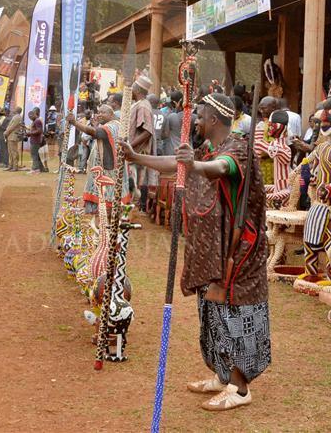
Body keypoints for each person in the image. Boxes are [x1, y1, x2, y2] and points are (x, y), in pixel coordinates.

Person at [120, 93, 270, 410]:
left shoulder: (238, 150)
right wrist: (137, 158)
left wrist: (196, 164)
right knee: (212, 315)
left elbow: (221, 168)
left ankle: (240, 390)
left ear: (214, 119)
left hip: (237, 252)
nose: (197, 121)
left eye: (200, 116)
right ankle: (222, 375)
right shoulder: (206, 148)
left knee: (234, 316)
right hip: (210, 250)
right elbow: (179, 165)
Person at [68, 105, 128, 213]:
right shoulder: (115, 125)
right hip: (111, 165)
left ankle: (100, 210)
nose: (99, 114)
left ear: (111, 114)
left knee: (104, 188)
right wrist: (96, 126)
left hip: (108, 167)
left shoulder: (110, 127)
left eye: (103, 112)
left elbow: (95, 133)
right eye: (98, 112)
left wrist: (75, 123)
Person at [129, 74, 155, 210]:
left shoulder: (143, 106)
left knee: (132, 189)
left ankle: (130, 215)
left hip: (135, 155)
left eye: (133, 87)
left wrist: (129, 146)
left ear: (138, 90)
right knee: (131, 188)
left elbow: (147, 131)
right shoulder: (139, 104)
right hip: (134, 154)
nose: (130, 89)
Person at [161, 90, 184, 155]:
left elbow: (165, 133)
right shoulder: (190, 115)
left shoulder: (170, 115)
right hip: (184, 149)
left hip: (171, 150)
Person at [4, 106, 24, 171]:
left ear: (17, 110)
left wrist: (6, 132)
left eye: (15, 108)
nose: (13, 109)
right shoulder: (15, 116)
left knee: (14, 151)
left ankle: (15, 166)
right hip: (10, 135)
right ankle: (11, 165)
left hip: (13, 135)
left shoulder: (17, 117)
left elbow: (12, 126)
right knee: (10, 152)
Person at [27, 108, 45, 173]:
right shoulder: (35, 121)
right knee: (37, 155)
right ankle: (41, 168)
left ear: (36, 114)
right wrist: (28, 134)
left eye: (32, 114)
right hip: (34, 140)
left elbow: (39, 131)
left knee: (34, 154)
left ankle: (35, 169)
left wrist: (30, 133)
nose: (30, 116)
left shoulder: (37, 121)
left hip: (36, 141)